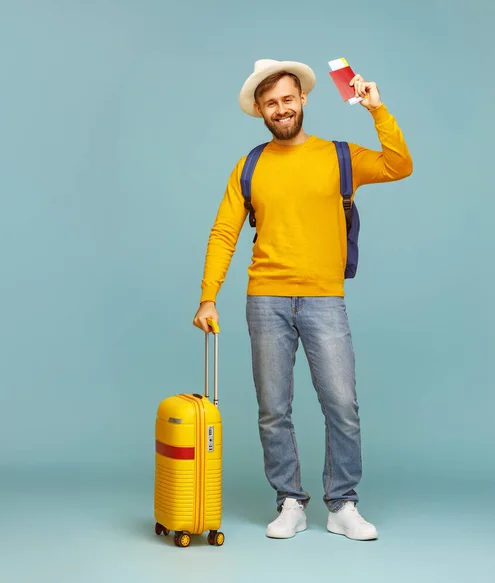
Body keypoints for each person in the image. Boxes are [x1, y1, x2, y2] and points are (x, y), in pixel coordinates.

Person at [193, 59, 412, 541]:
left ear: (303, 100)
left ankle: (343, 505)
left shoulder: (339, 156)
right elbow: (225, 231)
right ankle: (289, 501)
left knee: (342, 405)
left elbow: (400, 165)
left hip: (323, 299)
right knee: (273, 408)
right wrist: (208, 298)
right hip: (265, 299)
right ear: (259, 110)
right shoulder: (249, 166)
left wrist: (377, 109)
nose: (281, 108)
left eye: (288, 99)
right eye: (271, 103)